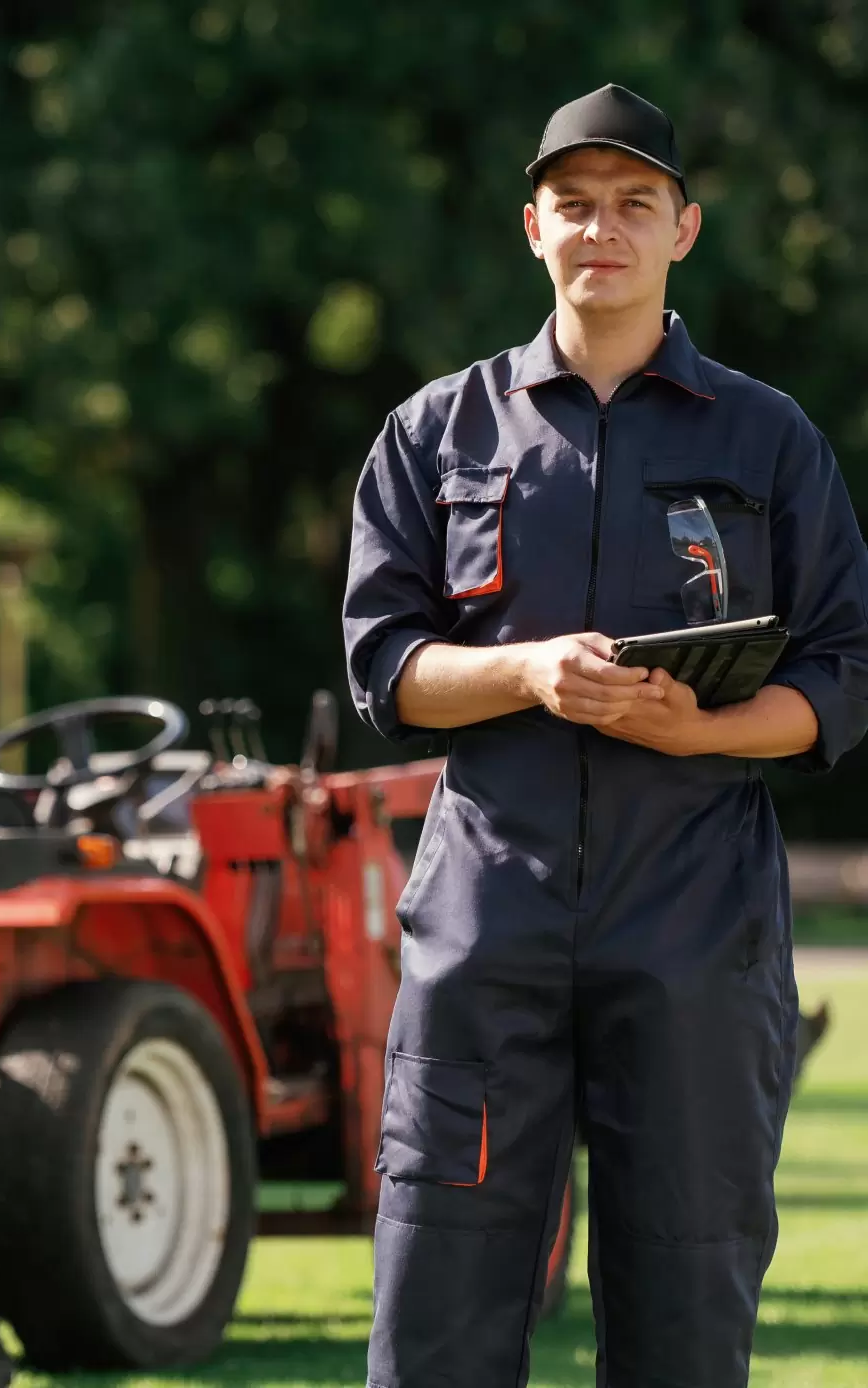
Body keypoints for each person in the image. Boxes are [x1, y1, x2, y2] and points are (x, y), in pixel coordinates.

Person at [343, 84, 868, 1387]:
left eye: (634, 204)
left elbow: (848, 671)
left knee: (686, 1319)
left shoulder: (770, 437)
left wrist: (700, 732)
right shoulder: (435, 433)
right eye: (574, 204)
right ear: (533, 227)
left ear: (683, 229)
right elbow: (385, 669)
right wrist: (526, 671)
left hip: (696, 930)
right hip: (486, 925)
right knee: (438, 1317)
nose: (603, 231)